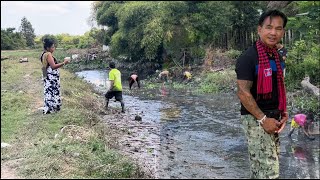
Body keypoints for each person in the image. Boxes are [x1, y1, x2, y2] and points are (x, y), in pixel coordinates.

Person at [235, 10, 289, 179]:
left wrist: (283, 112)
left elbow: (278, 86)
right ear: (259, 29)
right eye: (269, 27)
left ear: (283, 32)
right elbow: (243, 93)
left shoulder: (277, 57)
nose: (273, 33)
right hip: (256, 119)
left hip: (275, 118)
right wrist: (263, 120)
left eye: (278, 28)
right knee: (269, 173)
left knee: (261, 171)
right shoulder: (248, 58)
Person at [40, 38, 70, 114]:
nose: (54, 48)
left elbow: (44, 67)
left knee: (48, 92)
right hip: (52, 78)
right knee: (54, 92)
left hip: (48, 77)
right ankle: (54, 108)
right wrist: (64, 63)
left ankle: (49, 108)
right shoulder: (48, 54)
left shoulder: (43, 54)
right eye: (52, 47)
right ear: (48, 48)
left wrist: (44, 78)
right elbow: (53, 66)